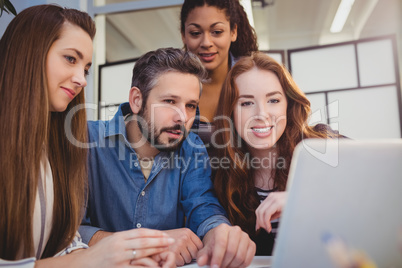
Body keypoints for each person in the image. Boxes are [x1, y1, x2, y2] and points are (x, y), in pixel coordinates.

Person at [0, 4, 175, 267]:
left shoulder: (52, 148)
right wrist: (94, 257)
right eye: (71, 59)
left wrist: (127, 256)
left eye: (86, 68)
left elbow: (61, 246)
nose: (82, 79)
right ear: (29, 52)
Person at [79, 47, 256, 267]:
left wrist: (219, 233)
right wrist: (148, 245)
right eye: (170, 101)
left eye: (190, 106)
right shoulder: (86, 141)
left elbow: (203, 206)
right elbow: (69, 231)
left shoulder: (191, 147)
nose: (182, 117)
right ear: (136, 100)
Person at [213, 52, 343, 255]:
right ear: (230, 112)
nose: (262, 114)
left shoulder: (323, 143)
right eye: (246, 103)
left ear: (288, 105)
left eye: (273, 100)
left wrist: (303, 200)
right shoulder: (221, 173)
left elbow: (378, 193)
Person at [180, 0, 258, 145]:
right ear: (184, 35)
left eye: (217, 32)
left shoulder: (256, 78)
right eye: (195, 33)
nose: (206, 42)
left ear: (233, 32)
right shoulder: (172, 83)